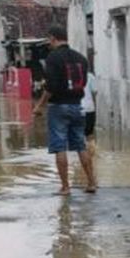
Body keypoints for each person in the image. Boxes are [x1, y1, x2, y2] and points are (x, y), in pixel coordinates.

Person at [34, 25, 96, 195]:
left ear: (53, 38)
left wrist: (40, 105)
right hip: (77, 106)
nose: (48, 43)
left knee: (59, 146)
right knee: (81, 145)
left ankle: (65, 187)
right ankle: (91, 183)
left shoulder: (53, 58)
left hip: (58, 107)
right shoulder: (81, 58)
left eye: (49, 40)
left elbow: (51, 86)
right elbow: (83, 84)